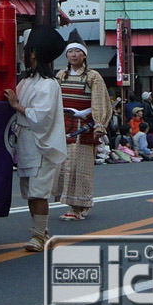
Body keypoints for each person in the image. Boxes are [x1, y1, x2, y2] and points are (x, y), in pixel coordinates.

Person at [4, 26, 67, 252]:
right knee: (31, 192)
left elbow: (41, 117)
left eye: (27, 50)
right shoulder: (28, 81)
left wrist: (16, 105)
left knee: (39, 192)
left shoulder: (49, 84)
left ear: (34, 54)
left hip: (41, 142)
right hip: (27, 141)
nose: (23, 54)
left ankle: (40, 236)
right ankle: (41, 232)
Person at [52, 30, 111, 222]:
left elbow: (100, 101)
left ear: (84, 54)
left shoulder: (93, 77)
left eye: (78, 51)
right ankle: (76, 204)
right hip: (64, 125)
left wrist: (97, 122)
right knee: (64, 166)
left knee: (80, 168)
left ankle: (77, 207)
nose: (74, 55)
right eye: (70, 52)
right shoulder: (61, 75)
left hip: (84, 126)